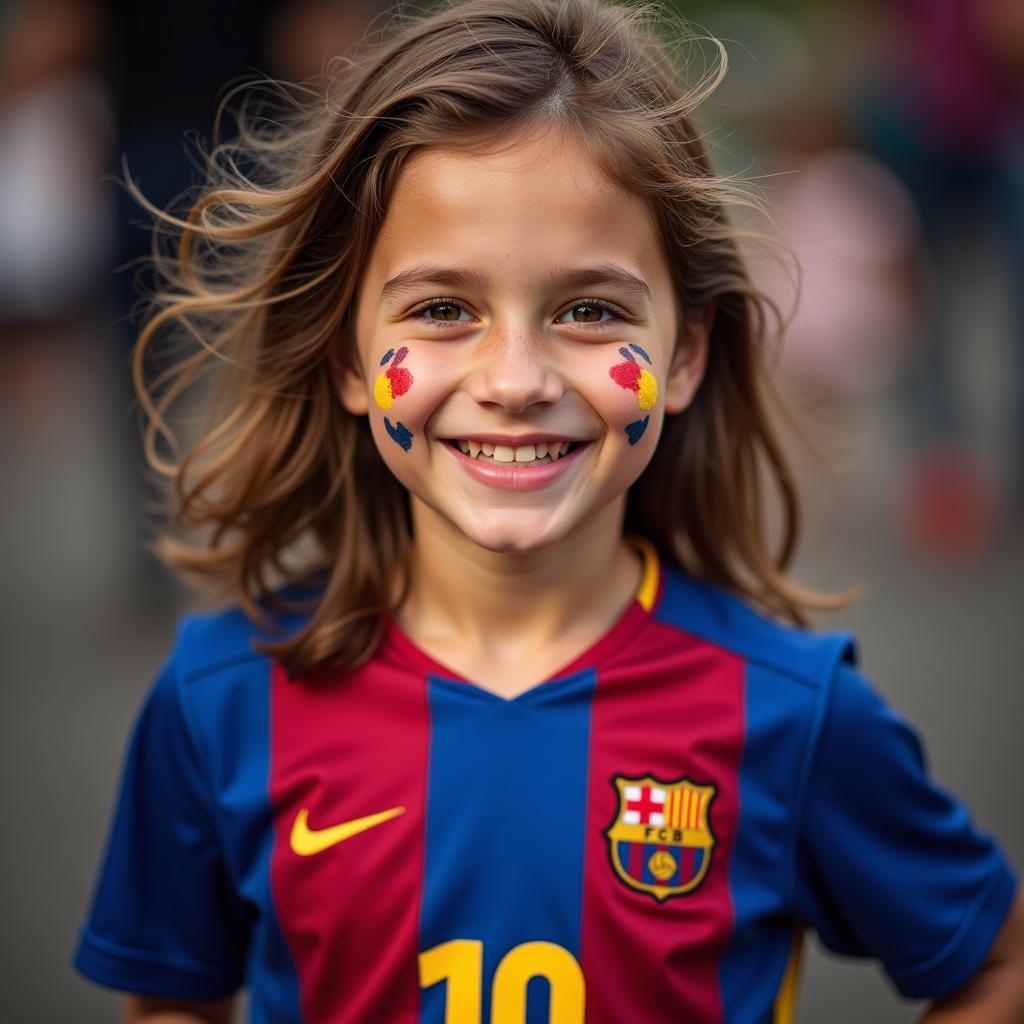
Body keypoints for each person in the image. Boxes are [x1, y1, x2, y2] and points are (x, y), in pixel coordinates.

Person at [71, 0, 1024, 1020]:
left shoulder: (792, 714)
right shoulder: (219, 698)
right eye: (442, 308)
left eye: (588, 309)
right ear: (347, 356)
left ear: (686, 352)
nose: (515, 378)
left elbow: (994, 963)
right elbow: (172, 997)